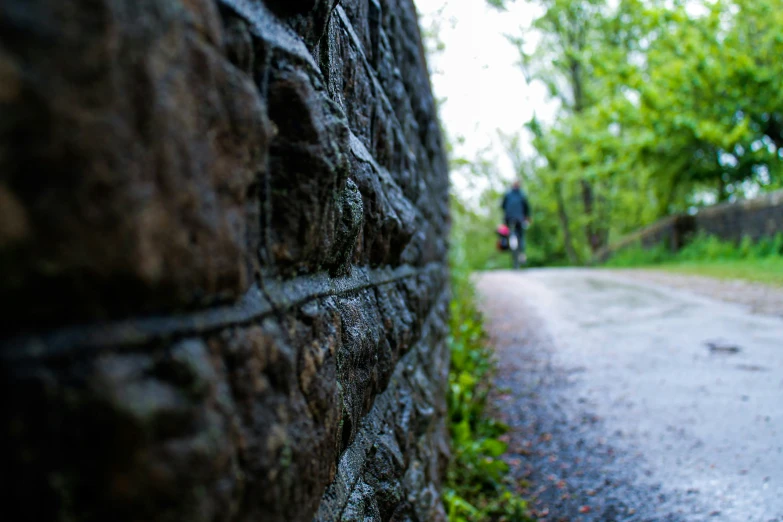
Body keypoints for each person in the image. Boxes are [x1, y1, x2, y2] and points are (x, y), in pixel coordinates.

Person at [501, 180, 531, 265]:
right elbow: (526, 207)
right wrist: (527, 217)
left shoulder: (507, 194)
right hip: (519, 219)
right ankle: (521, 254)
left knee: (509, 234)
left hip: (508, 219)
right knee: (521, 236)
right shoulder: (522, 194)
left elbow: (503, 206)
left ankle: (510, 246)